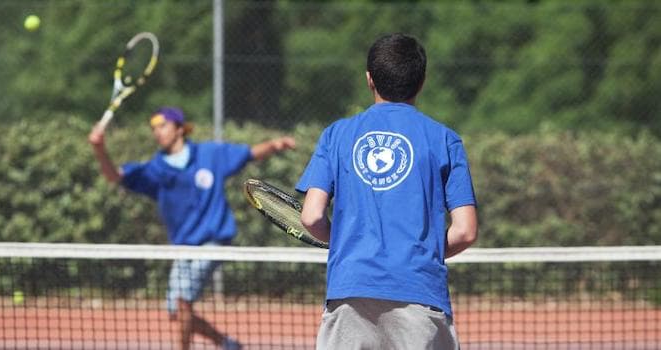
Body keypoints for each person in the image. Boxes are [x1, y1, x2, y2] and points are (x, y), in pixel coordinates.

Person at [296, 33, 478, 349]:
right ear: (422, 81)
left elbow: (311, 217)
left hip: (349, 291)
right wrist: (424, 250)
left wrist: (343, 240)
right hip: (419, 291)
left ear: (369, 79)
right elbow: (465, 231)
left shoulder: (336, 135)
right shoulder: (445, 139)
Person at [88, 107, 296, 350]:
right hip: (183, 247)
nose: (157, 132)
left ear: (179, 129)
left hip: (213, 242)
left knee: (183, 301)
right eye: (154, 128)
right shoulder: (154, 170)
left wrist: (275, 144)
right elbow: (114, 176)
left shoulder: (210, 154)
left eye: (162, 126)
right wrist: (99, 149)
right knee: (176, 310)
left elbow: (249, 153)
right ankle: (227, 344)